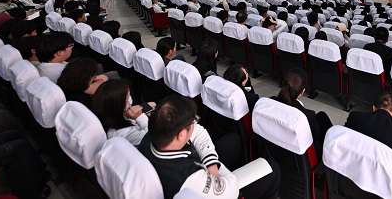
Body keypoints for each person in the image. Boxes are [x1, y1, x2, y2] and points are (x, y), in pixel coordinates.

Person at [138, 95, 280, 199]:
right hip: (223, 189)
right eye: (192, 122)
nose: (195, 125)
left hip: (203, 169)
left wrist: (211, 163)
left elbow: (198, 131)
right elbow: (231, 189)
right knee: (273, 169)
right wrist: (214, 173)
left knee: (234, 140)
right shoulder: (189, 179)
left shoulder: (152, 136)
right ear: (181, 135)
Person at [275, 68, 332, 158]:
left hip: (276, 145)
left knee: (321, 116)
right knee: (322, 119)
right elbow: (316, 136)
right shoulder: (307, 115)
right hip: (302, 155)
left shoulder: (270, 101)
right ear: (302, 91)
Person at [92, 79, 154, 145]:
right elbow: (152, 136)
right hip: (145, 141)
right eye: (128, 96)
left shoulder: (108, 115)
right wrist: (140, 117)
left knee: (152, 104)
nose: (130, 97)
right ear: (121, 104)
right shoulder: (125, 132)